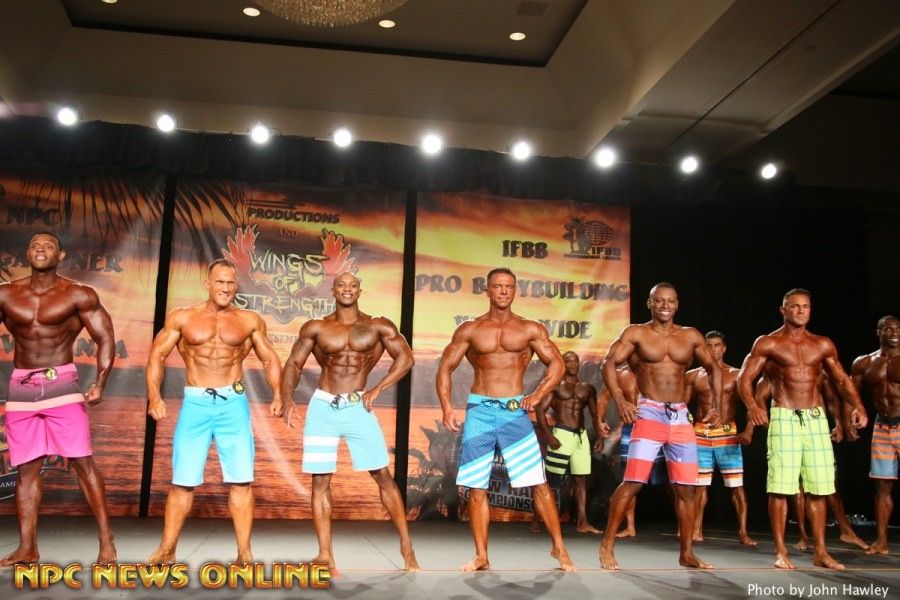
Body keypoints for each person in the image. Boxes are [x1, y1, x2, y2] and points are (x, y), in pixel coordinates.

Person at [437, 267, 575, 572]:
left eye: (508, 286)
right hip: (479, 412)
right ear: (487, 290)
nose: (502, 291)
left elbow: (557, 364)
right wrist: (446, 407)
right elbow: (445, 367)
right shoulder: (470, 329)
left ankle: (559, 548)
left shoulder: (530, 329)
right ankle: (481, 556)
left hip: (513, 412)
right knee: (476, 487)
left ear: (514, 291)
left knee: (537, 482)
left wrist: (538, 394)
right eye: (497, 286)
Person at [146, 259, 282, 564]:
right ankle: (167, 550)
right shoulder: (182, 317)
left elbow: (269, 358)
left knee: (241, 481)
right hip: (196, 403)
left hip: (233, 404)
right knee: (182, 481)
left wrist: (278, 394)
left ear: (236, 286)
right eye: (220, 282)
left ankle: (245, 554)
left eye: (230, 283)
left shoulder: (249, 320)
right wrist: (154, 397)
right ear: (207, 284)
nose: (225, 288)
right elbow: (157, 355)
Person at [280, 272, 418, 573]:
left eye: (352, 285)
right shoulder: (316, 327)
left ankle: (407, 547)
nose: (347, 289)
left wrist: (378, 388)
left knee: (382, 475)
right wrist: (287, 398)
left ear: (359, 291)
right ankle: (325, 555)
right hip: (323, 406)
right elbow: (294, 363)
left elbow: (406, 358)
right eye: (341, 285)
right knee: (320, 480)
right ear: (333, 291)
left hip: (358, 406)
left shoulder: (378, 325)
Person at [0, 232, 117, 565]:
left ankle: (106, 539)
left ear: (60, 255)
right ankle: (28, 548)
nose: (41, 249)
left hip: (60, 384)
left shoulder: (78, 294)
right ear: (27, 253)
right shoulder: (6, 294)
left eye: (48, 246)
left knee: (82, 462)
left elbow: (105, 337)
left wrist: (100, 382)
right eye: (35, 245)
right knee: (26, 470)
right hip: (21, 386)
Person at [737, 288, 867, 570]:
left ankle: (820, 551)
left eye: (805, 306)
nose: (800, 311)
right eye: (794, 306)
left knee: (820, 487)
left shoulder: (822, 344)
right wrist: (753, 406)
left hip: (815, 418)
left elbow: (842, 380)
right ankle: (781, 551)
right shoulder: (769, 343)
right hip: (784, 415)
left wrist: (859, 407)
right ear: (783, 310)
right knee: (780, 488)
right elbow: (744, 380)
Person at [599, 282, 722, 570]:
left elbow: (714, 368)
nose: (665, 306)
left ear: (677, 304)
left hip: (680, 417)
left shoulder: (690, 336)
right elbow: (608, 364)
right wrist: (621, 400)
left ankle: (686, 553)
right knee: (633, 482)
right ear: (649, 303)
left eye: (670, 301)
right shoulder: (636, 333)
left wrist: (718, 405)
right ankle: (607, 545)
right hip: (649, 413)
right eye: (659, 301)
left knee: (687, 489)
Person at [684, 331, 756, 546]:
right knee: (699, 486)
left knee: (737, 486)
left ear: (724, 348)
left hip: (727, 434)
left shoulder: (736, 374)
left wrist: (749, 431)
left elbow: (752, 406)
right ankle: (697, 529)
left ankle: (743, 532)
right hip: (700, 433)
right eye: (708, 346)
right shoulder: (693, 376)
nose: (713, 349)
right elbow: (682, 406)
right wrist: (687, 428)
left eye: (717, 345)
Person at [534, 351, 606, 534]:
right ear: (563, 364)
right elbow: (540, 410)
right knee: (549, 479)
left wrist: (599, 437)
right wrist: (549, 436)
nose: (573, 364)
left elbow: (595, 415)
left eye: (575, 361)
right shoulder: (556, 386)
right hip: (562, 435)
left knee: (580, 480)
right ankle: (536, 519)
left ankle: (582, 522)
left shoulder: (587, 388)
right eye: (569, 361)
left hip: (580, 437)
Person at [596, 363, 667, 538]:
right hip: (632, 428)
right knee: (629, 478)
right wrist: (599, 421)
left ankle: (685, 527)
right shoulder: (620, 375)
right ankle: (630, 526)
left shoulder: (658, 370)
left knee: (672, 478)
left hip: (659, 426)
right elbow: (603, 398)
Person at [851, 315, 900, 555]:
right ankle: (881, 541)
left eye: (898, 329)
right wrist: (854, 414)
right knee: (882, 486)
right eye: (889, 329)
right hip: (882, 426)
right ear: (878, 332)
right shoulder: (865, 362)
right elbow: (851, 393)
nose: (894, 333)